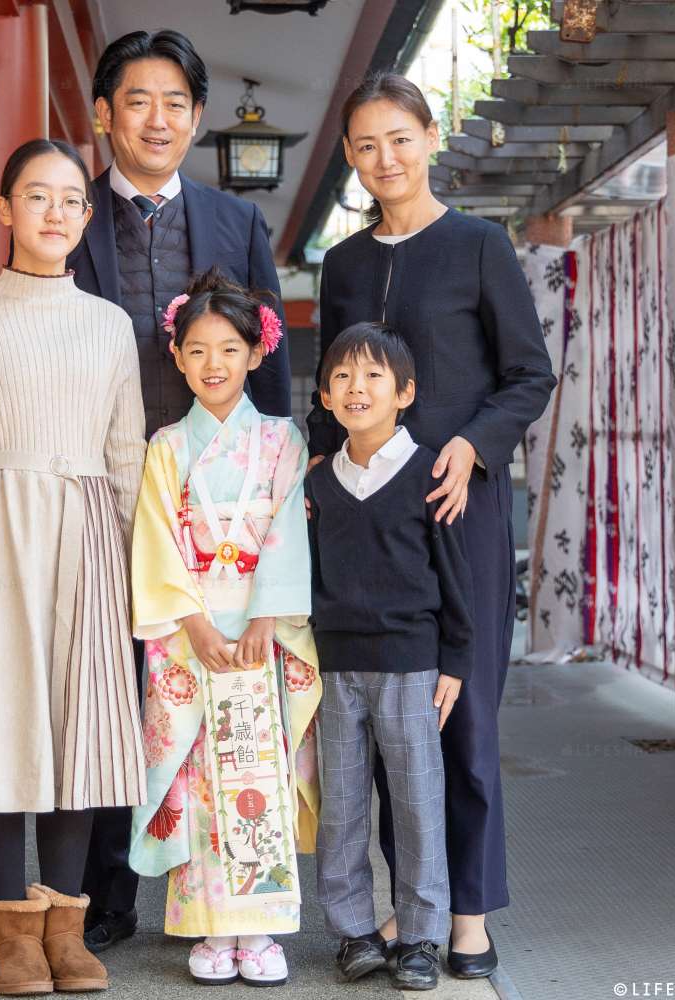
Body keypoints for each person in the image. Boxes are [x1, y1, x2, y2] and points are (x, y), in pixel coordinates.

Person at [306, 73, 556, 978]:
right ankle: (396, 918)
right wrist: (314, 468)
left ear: (431, 136)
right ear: (349, 156)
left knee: (465, 720)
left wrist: (470, 447)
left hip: (459, 507)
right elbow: (332, 391)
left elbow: (529, 375)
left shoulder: (480, 246)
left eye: (400, 139)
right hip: (366, 522)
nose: (386, 160)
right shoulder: (343, 263)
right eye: (367, 145)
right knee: (380, 722)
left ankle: (469, 920)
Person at [67, 28, 293, 954]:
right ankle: (105, 891)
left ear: (197, 120)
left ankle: (221, 890)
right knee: (108, 687)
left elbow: (271, 368)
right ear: (101, 114)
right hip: (97, 492)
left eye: (173, 104)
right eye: (136, 101)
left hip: (218, 507)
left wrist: (283, 482)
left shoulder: (235, 225)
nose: (155, 119)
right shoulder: (67, 217)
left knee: (209, 683)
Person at [0, 138, 147, 997]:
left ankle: (65, 929)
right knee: (3, 722)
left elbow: (126, 455)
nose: (55, 212)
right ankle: (10, 930)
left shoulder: (109, 326)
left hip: (87, 531)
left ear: (86, 220)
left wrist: (133, 572)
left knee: (76, 727)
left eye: (70, 201)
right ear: (5, 209)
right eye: (36, 196)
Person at [127, 268, 321, 987]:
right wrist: (194, 625)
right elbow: (154, 540)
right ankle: (209, 926)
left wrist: (266, 619)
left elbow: (289, 540)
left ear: (257, 352)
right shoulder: (167, 447)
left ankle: (264, 930)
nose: (214, 364)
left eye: (229, 349)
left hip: (263, 628)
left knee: (259, 767)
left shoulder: (281, 441)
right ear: (177, 357)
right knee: (202, 775)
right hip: (192, 631)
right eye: (199, 350)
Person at [307, 321, 474, 990]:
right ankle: (353, 933)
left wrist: (456, 661)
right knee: (341, 806)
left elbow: (455, 575)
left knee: (416, 801)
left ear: (404, 392)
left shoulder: (428, 471)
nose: (357, 388)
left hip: (412, 666)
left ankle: (421, 938)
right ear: (323, 395)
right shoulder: (318, 485)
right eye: (343, 377)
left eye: (374, 376)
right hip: (335, 667)